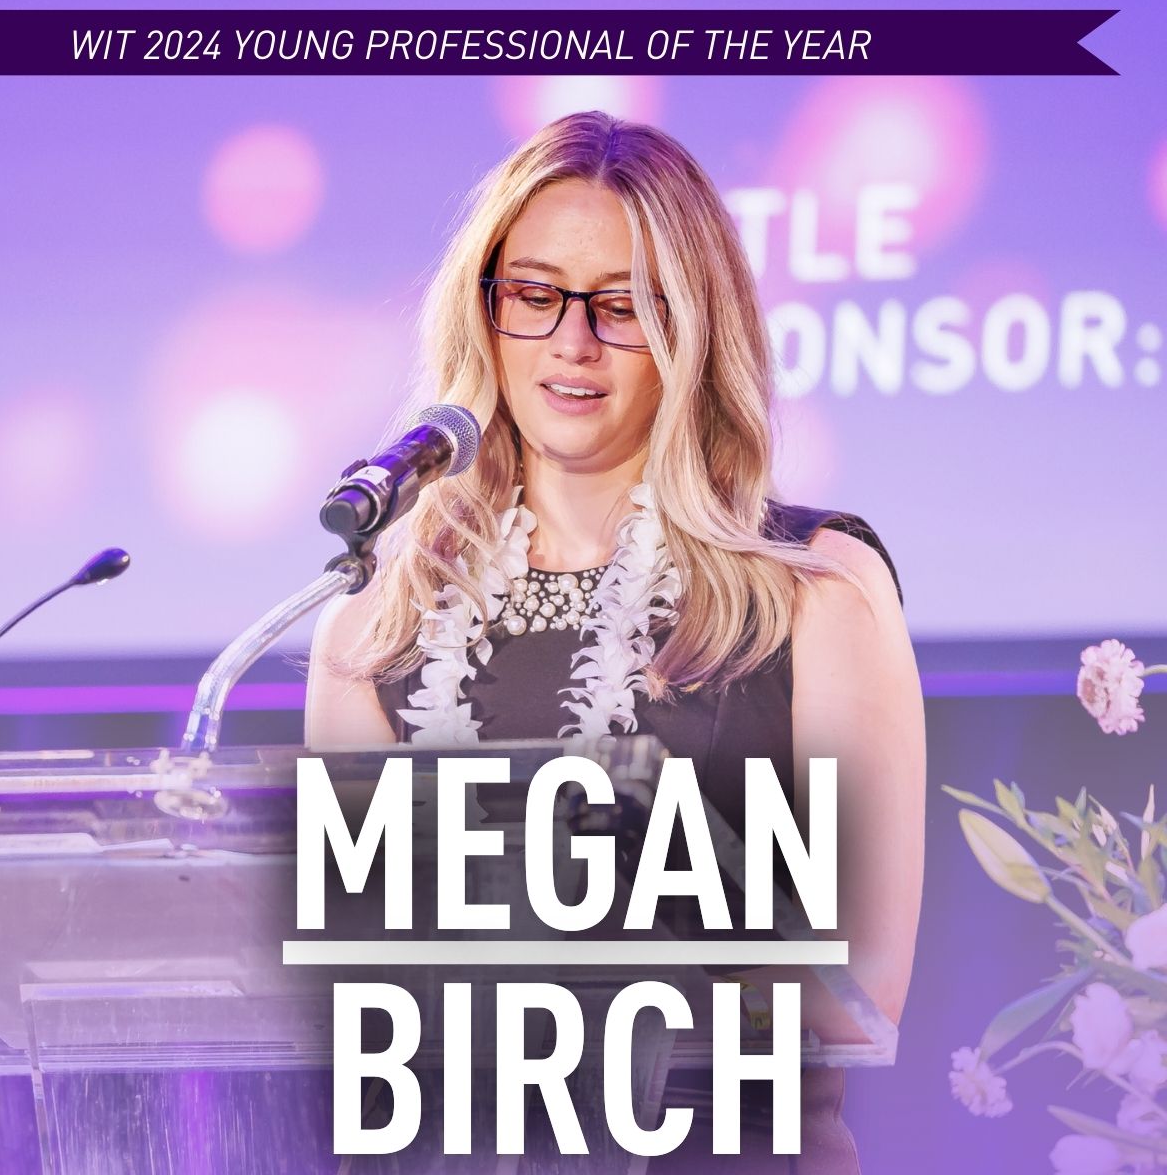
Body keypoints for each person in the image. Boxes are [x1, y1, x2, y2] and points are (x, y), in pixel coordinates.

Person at [306, 110, 925, 1173]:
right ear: (486, 311)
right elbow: (358, 990)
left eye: (623, 304)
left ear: (694, 327)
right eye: (536, 294)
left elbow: (861, 984)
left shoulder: (813, 592)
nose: (573, 343)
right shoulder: (377, 630)